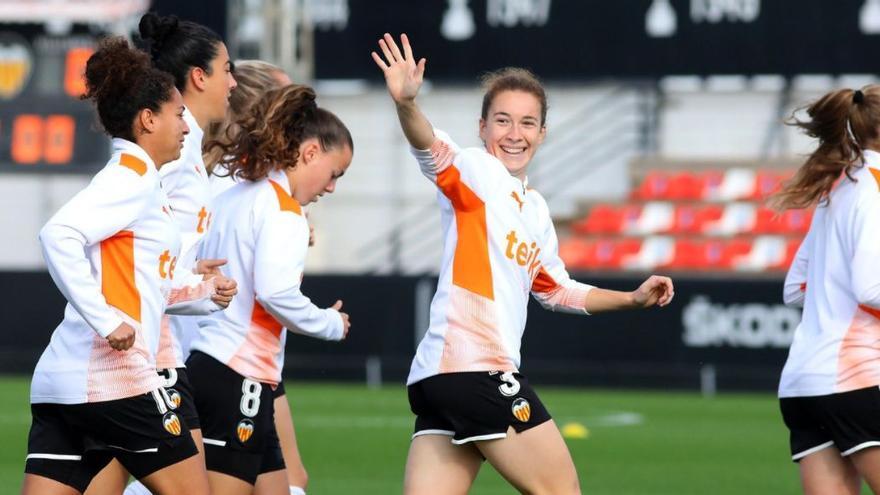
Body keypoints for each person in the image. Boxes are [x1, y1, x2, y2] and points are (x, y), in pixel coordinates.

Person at [371, 33, 675, 494]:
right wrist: (407, 105)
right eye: (503, 121)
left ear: (543, 133)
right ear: (482, 127)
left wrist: (631, 298)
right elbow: (430, 148)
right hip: (476, 369)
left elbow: (555, 289)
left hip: (441, 378)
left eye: (528, 123)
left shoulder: (534, 210)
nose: (515, 134)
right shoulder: (477, 171)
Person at [22, 36, 235, 495]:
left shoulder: (145, 184)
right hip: (115, 383)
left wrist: (204, 292)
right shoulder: (131, 177)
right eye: (178, 115)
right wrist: (105, 320)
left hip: (62, 384)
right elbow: (57, 235)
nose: (185, 126)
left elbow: (145, 284)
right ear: (147, 119)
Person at [86, 12, 238, 495]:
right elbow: (119, 236)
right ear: (199, 76)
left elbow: (149, 243)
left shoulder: (185, 144)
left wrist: (187, 273)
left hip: (152, 337)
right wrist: (188, 283)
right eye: (227, 70)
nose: (233, 82)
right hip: (144, 343)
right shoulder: (170, 148)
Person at [188, 83, 353, 494]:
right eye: (334, 174)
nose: (331, 187)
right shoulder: (286, 212)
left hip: (222, 371)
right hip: (237, 377)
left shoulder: (237, 197)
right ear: (311, 152)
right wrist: (330, 323)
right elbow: (276, 294)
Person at [203, 59, 313, 495]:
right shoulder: (233, 186)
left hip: (246, 360)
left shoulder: (252, 184)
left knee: (284, 482)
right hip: (229, 358)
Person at [776, 86, 880, 495]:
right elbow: (871, 288)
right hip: (853, 378)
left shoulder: (839, 187)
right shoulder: (872, 188)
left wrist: (832, 300)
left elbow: (795, 288)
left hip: (804, 383)